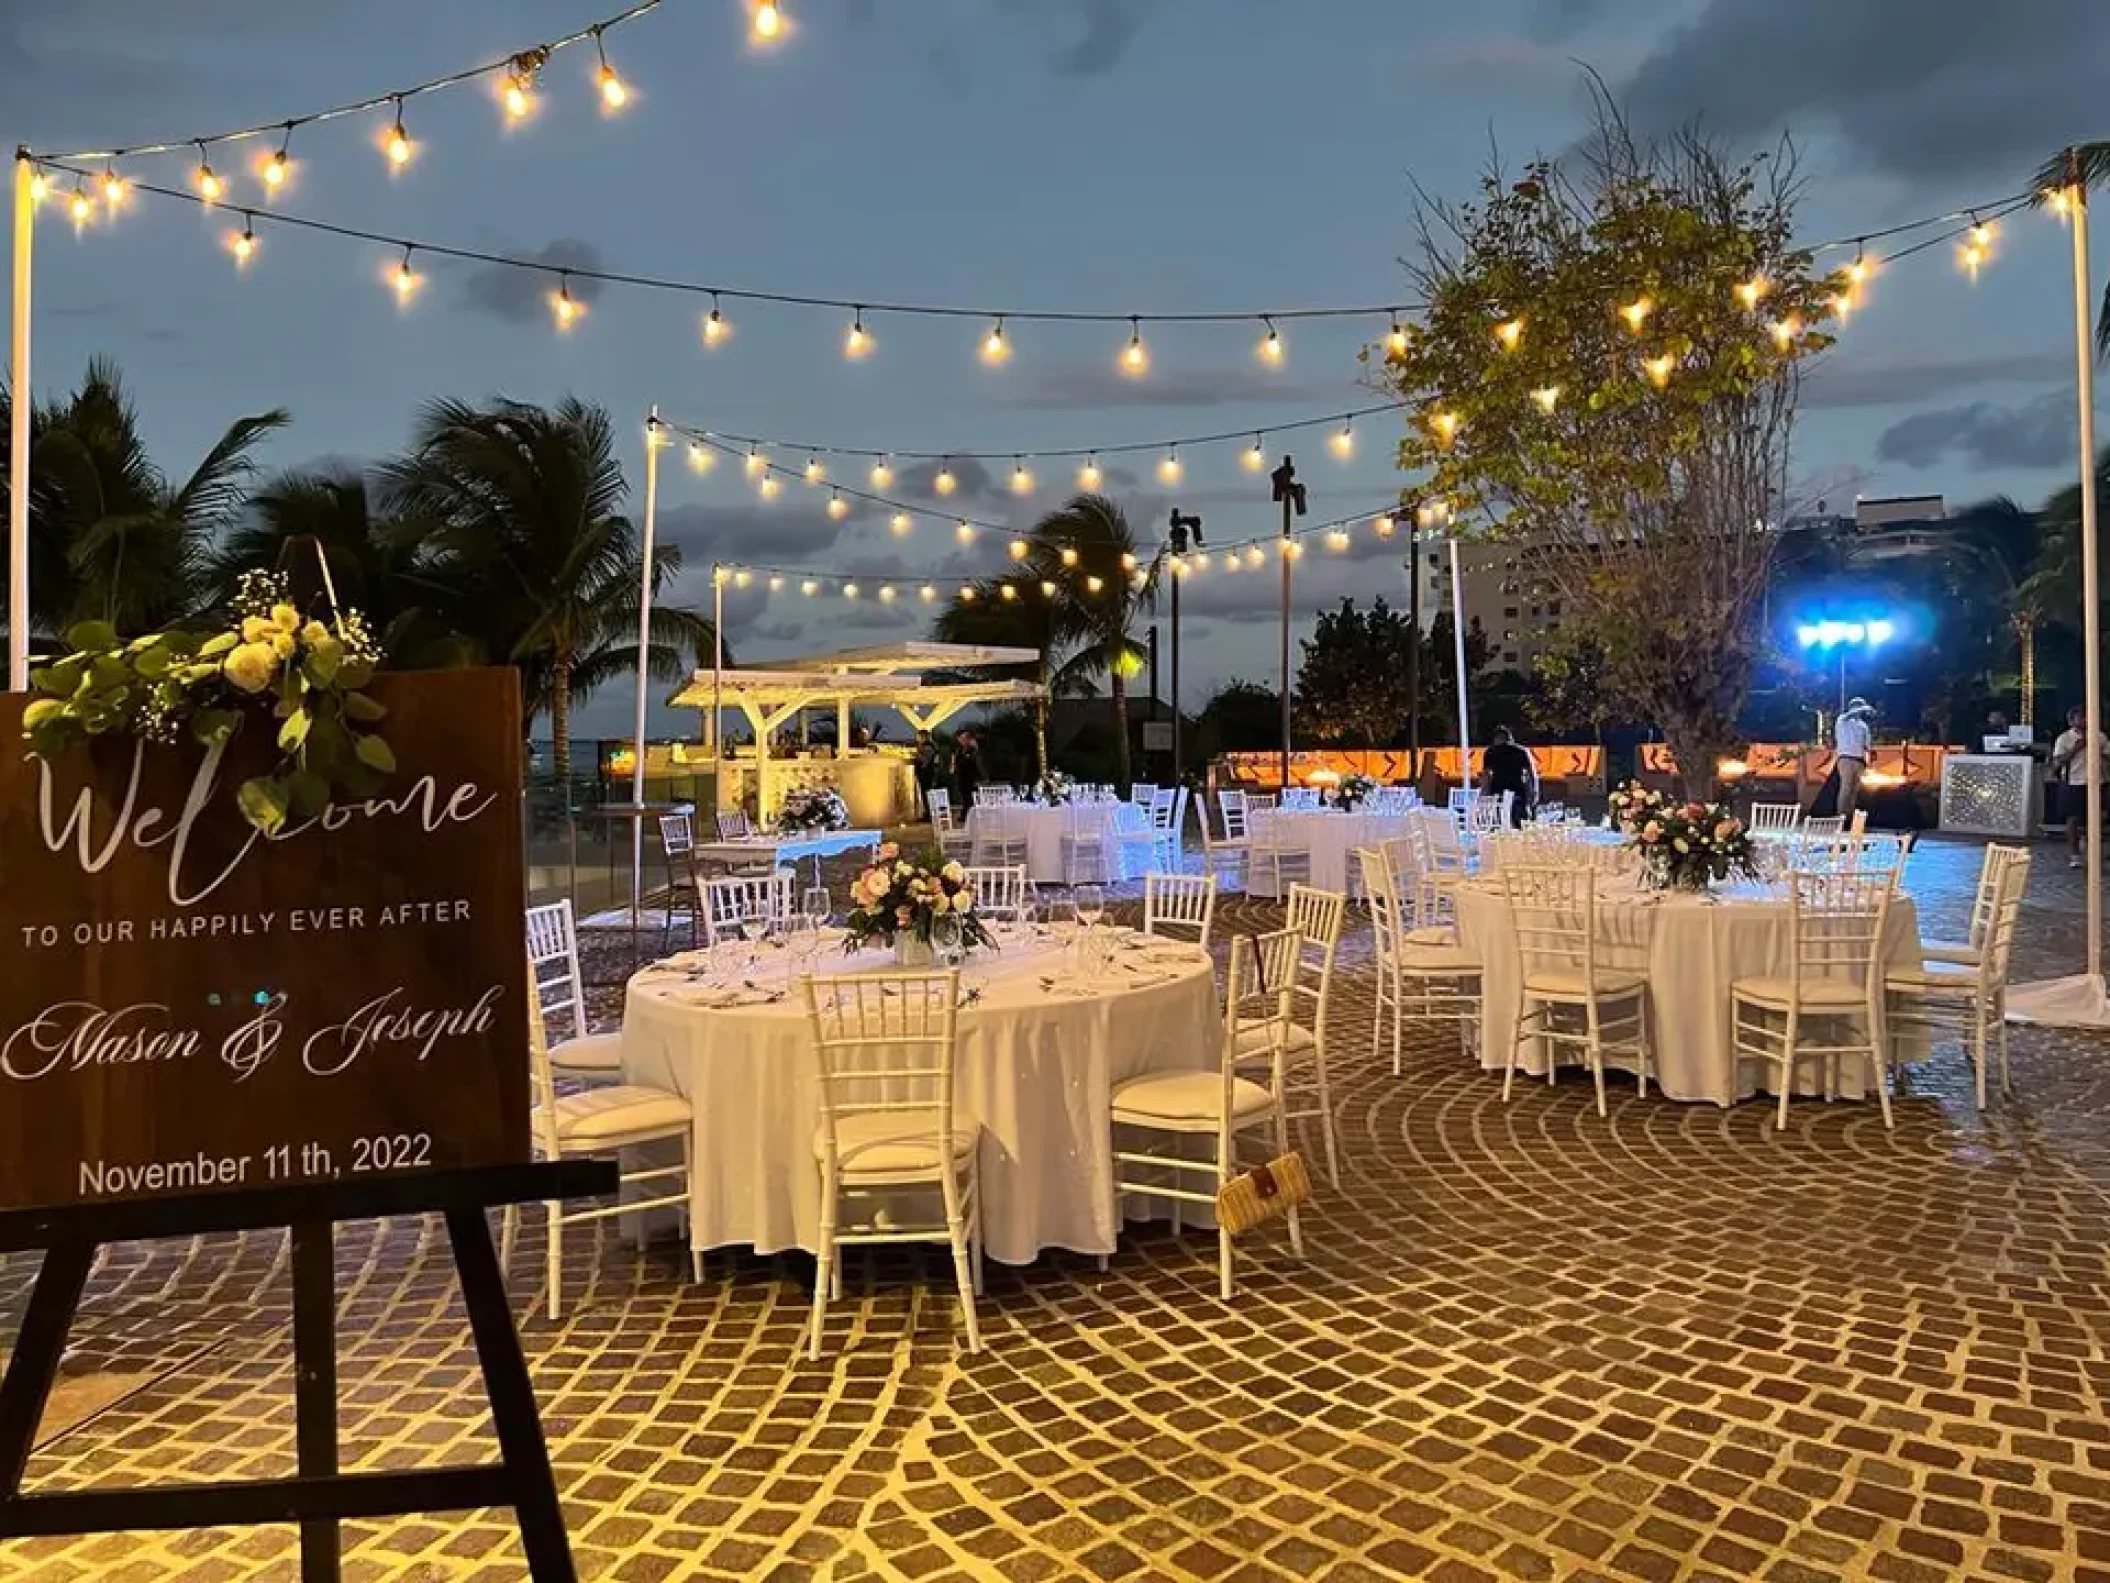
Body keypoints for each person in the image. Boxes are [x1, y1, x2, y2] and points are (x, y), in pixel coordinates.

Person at [2053, 705, 2104, 869]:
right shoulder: (2064, 738)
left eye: (2087, 717)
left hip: (2096, 782)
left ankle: (2092, 850)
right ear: (2071, 721)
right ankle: (2075, 855)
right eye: (2080, 717)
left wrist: (2100, 751)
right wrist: (2076, 748)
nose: (2084, 720)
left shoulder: (2099, 736)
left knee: (2097, 818)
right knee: (2073, 819)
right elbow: (2058, 761)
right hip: (2073, 781)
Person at [1481, 725, 1538, 827]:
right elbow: (1531, 774)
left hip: (1498, 796)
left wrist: (1484, 796)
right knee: (1520, 826)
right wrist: (1533, 792)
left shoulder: (1490, 752)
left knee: (1498, 827)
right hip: (1519, 794)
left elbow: (1486, 776)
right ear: (1510, 738)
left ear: (1496, 738)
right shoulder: (1521, 751)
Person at [1835, 697, 1874, 821]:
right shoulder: (1843, 719)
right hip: (1845, 758)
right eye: (1858, 707)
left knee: (1854, 791)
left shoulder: (1863, 726)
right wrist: (1863, 707)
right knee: (1846, 787)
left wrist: (1869, 758)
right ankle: (1841, 817)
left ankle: (1850, 818)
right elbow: (1848, 716)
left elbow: (1866, 745)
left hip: (1859, 759)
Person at [952, 728, 984, 809]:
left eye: (964, 738)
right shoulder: (959, 750)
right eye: (960, 739)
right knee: (964, 795)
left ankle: (968, 812)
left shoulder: (973, 749)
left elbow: (976, 761)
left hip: (971, 777)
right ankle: (965, 812)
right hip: (962, 776)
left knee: (970, 796)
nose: (961, 741)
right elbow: (957, 761)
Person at [912, 730, 939, 819]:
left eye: (918, 736)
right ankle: (928, 814)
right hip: (926, 775)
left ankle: (929, 815)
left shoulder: (927, 747)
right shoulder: (927, 746)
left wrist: (917, 755)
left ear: (923, 737)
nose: (917, 738)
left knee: (926, 795)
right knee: (925, 795)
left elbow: (925, 762)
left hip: (926, 775)